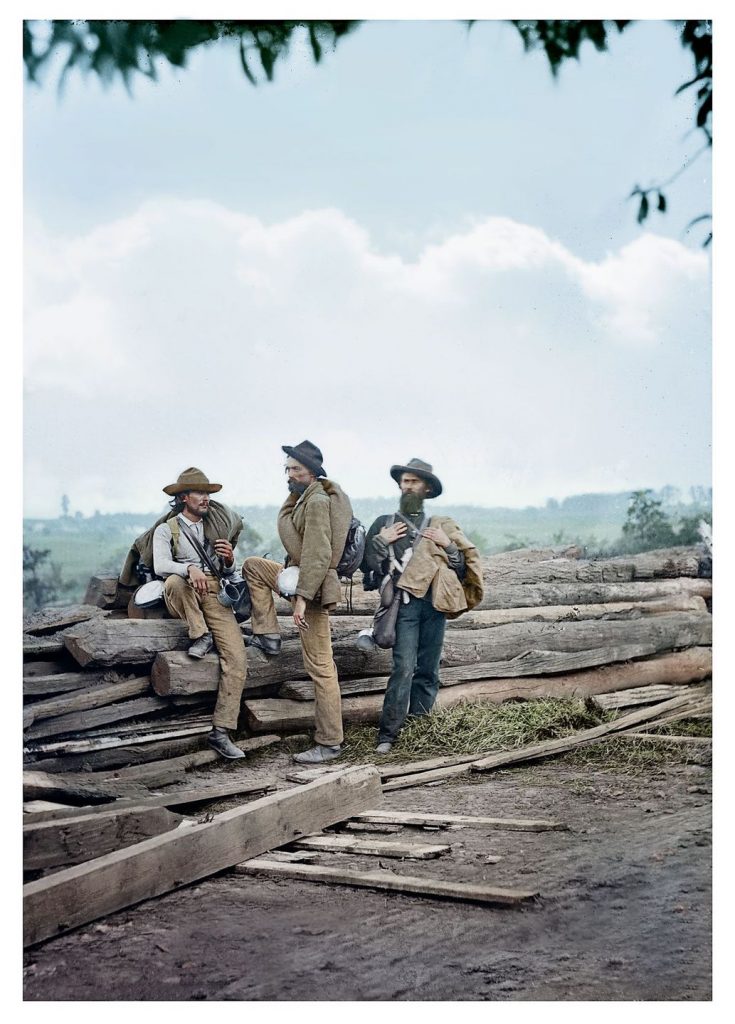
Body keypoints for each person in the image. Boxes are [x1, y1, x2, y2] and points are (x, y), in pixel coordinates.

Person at [362, 458, 484, 753]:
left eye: (414, 482)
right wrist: (380, 541)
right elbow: (367, 568)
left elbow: (459, 569)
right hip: (403, 607)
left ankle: (420, 729)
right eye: (405, 481)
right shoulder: (385, 523)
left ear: (427, 489)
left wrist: (448, 545)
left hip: (434, 606)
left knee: (428, 669)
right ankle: (388, 735)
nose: (408, 486)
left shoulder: (441, 526)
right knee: (403, 668)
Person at [243, 441, 353, 764]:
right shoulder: (301, 498)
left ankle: (330, 742)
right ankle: (268, 635)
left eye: (296, 470)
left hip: (313, 589)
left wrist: (302, 600)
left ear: (312, 473)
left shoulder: (317, 502)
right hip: (298, 574)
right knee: (253, 567)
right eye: (287, 468)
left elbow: (319, 554)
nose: (289, 474)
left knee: (320, 667)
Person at [151, 467, 248, 761]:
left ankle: (221, 732)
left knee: (237, 657)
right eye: (199, 493)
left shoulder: (214, 528)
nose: (206, 498)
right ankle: (200, 634)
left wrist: (229, 559)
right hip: (185, 591)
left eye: (207, 493)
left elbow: (226, 571)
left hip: (214, 592)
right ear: (183, 497)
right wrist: (188, 568)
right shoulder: (167, 529)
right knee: (174, 581)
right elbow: (160, 565)